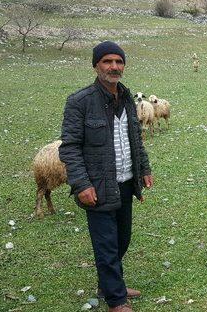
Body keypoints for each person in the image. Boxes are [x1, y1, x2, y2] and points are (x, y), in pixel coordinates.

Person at [59, 41, 153, 312]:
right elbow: (70, 147)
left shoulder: (126, 97)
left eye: (118, 62)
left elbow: (135, 139)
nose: (114, 67)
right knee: (106, 243)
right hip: (97, 185)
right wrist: (81, 184)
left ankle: (108, 284)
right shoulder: (80, 102)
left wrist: (144, 169)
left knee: (122, 238)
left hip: (124, 181)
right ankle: (116, 299)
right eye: (107, 61)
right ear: (96, 66)